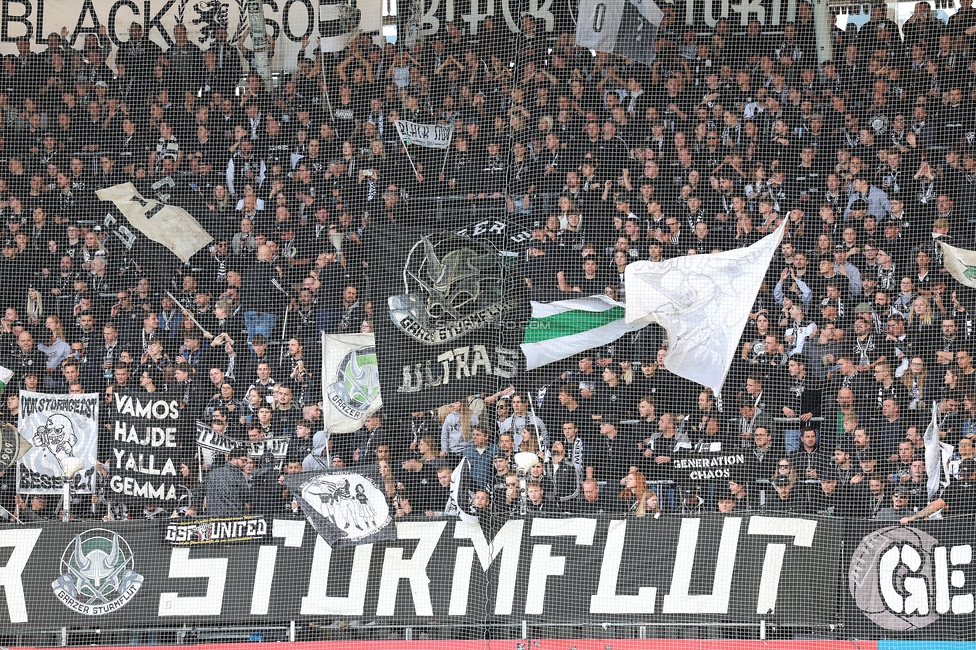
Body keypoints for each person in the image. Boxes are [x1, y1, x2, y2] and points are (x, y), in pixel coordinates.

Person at [204, 448, 250, 516]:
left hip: (213, 517)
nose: (245, 464)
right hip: (233, 517)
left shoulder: (213, 473)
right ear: (234, 460)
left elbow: (200, 491)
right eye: (243, 461)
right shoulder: (238, 474)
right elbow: (246, 496)